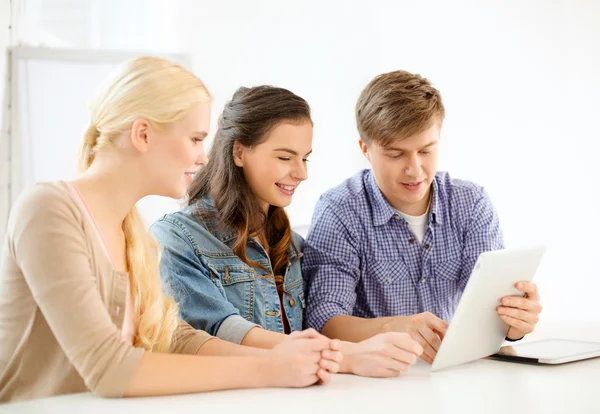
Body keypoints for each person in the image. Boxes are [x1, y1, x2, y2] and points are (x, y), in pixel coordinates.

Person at [0, 57, 343, 403]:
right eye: (195, 139)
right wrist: (267, 369)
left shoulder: (133, 232)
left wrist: (282, 358)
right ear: (143, 134)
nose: (204, 158)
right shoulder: (48, 209)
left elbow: (174, 337)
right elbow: (109, 368)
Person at [151, 85, 423, 378]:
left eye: (304, 158)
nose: (301, 173)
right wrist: (341, 356)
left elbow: (324, 319)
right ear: (239, 151)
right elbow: (220, 329)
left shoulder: (294, 246)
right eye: (285, 158)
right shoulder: (176, 238)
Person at [302, 70, 543, 364]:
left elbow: (489, 310)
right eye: (395, 154)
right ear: (365, 149)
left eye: (426, 150)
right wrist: (392, 327)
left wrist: (515, 324)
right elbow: (323, 321)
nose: (415, 169)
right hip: (376, 382)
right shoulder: (340, 211)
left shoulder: (471, 203)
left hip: (458, 372)